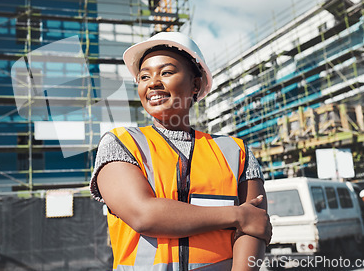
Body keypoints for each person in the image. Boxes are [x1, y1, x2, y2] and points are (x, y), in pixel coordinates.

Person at [90, 32, 272, 270]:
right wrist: (237, 215)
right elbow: (144, 215)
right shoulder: (121, 143)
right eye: (144, 76)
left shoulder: (236, 151)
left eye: (166, 72)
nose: (153, 82)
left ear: (195, 84)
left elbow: (255, 226)